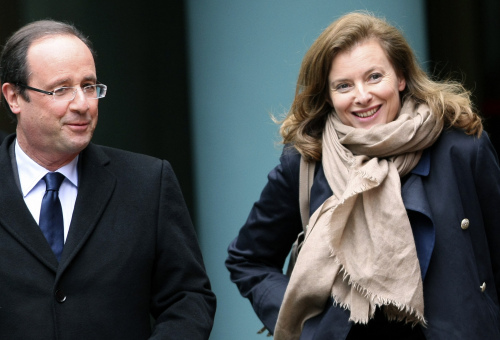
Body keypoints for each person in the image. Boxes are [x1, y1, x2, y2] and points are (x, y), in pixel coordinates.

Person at [226, 11, 500, 340]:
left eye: (373, 77)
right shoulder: (307, 161)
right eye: (344, 85)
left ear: (400, 77)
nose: (362, 96)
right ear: (328, 95)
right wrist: (306, 326)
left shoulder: (461, 148)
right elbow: (247, 259)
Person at [0, 20, 216, 339]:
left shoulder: (147, 183)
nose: (83, 104)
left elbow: (188, 298)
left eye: (89, 86)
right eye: (61, 89)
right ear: (14, 97)